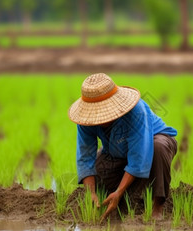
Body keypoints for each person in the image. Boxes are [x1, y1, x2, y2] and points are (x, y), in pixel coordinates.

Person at [68, 73, 177, 222]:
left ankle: (158, 205)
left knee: (158, 147)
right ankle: (128, 195)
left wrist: (119, 191)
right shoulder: (85, 120)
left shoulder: (136, 111)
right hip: (118, 150)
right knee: (99, 171)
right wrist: (91, 193)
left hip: (152, 141)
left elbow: (139, 157)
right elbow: (85, 157)